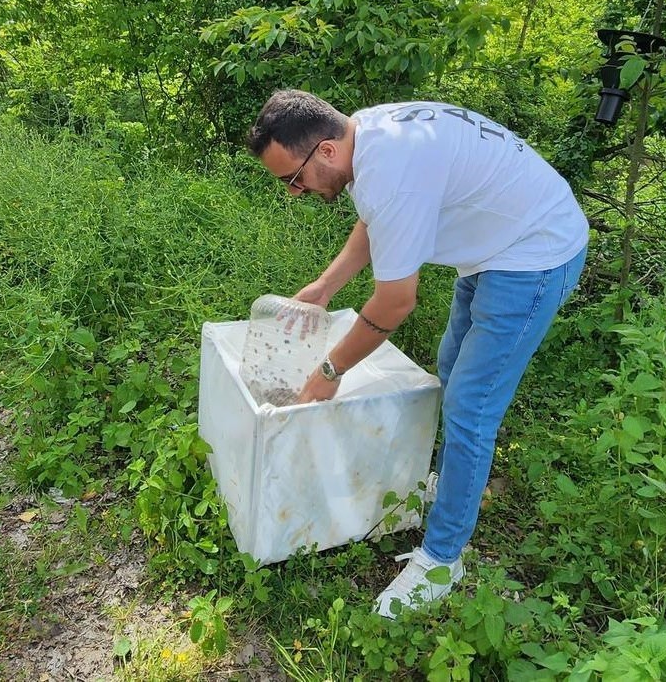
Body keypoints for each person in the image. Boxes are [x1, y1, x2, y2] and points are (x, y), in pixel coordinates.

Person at [247, 89, 589, 618]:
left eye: (294, 178)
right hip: (494, 247)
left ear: (326, 150)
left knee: (471, 405)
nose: (294, 192)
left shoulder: (391, 170)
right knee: (451, 368)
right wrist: (324, 286)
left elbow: (395, 302)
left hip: (534, 256)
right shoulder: (364, 135)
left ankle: (442, 559)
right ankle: (452, 482)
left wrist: (331, 370)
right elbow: (375, 221)